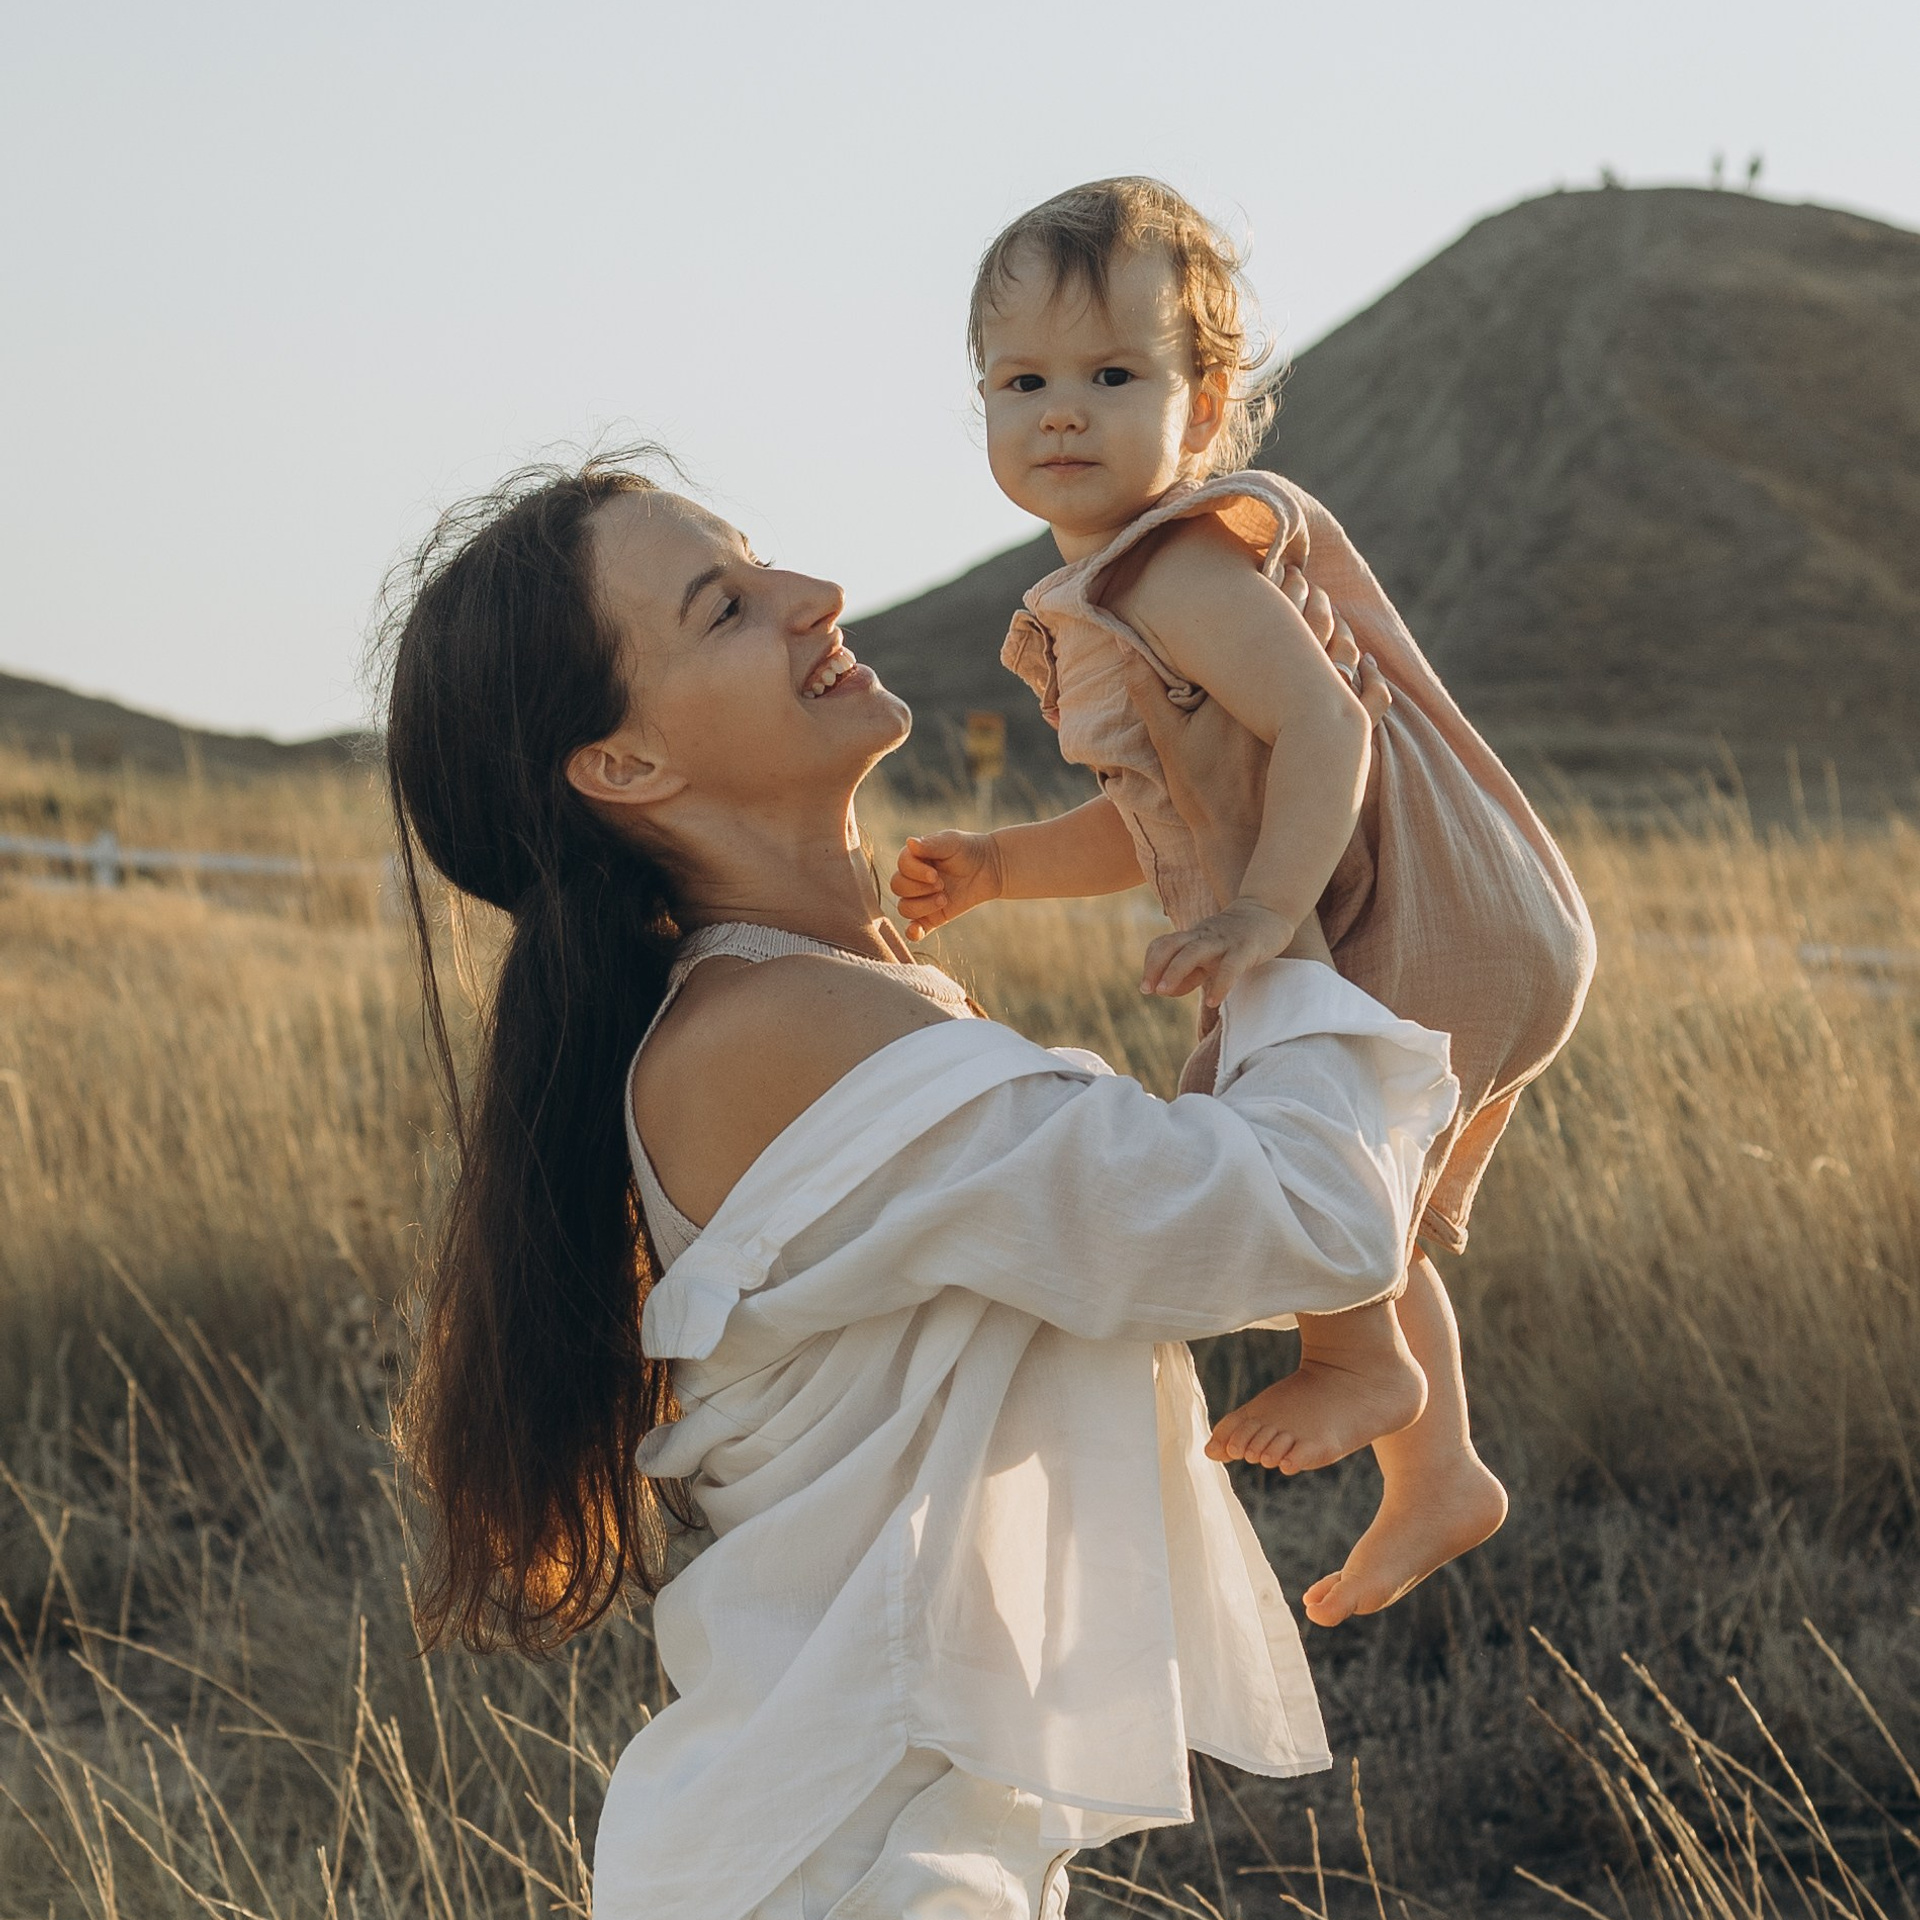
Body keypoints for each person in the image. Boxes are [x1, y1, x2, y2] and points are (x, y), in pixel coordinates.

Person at [378, 456, 1459, 1919]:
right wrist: (1257, 884)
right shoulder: (775, 1034)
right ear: (624, 766)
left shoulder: (832, 1001)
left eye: (764, 564)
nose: (816, 599)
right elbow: (1307, 1220)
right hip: (842, 1861)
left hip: (864, 1840)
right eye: (725, 607)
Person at [890, 177, 1596, 1628]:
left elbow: (1327, 731)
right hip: (1474, 932)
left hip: (1397, 926)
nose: (1062, 413)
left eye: (1112, 375)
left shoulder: (1178, 566)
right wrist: (1007, 864)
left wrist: (1273, 915)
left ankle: (1359, 1366)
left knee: (1295, 1143)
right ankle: (1439, 1470)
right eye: (1021, 381)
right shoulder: (1118, 591)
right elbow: (1157, 816)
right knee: (1357, 1199)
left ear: (1203, 410)